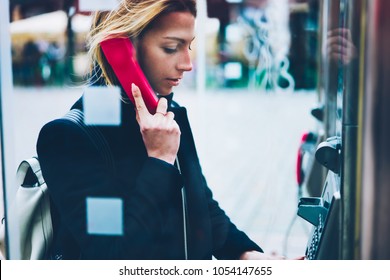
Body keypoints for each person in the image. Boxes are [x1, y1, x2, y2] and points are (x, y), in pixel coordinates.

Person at [37, 0, 289, 260]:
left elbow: (200, 207)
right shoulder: (69, 139)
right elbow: (113, 255)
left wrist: (248, 256)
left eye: (188, 46)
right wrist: (159, 160)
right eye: (171, 47)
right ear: (122, 48)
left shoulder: (169, 113)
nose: (187, 63)